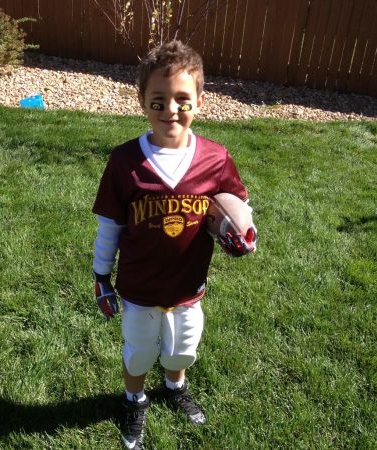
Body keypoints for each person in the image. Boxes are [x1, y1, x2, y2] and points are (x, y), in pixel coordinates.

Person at [92, 40, 255, 450]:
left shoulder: (215, 159)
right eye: (159, 101)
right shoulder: (125, 161)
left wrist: (241, 230)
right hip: (139, 286)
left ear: (200, 100)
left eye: (182, 99)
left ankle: (174, 387)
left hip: (187, 285)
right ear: (142, 102)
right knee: (139, 353)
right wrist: (100, 276)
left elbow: (236, 205)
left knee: (183, 350)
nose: (171, 111)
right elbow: (110, 225)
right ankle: (134, 398)